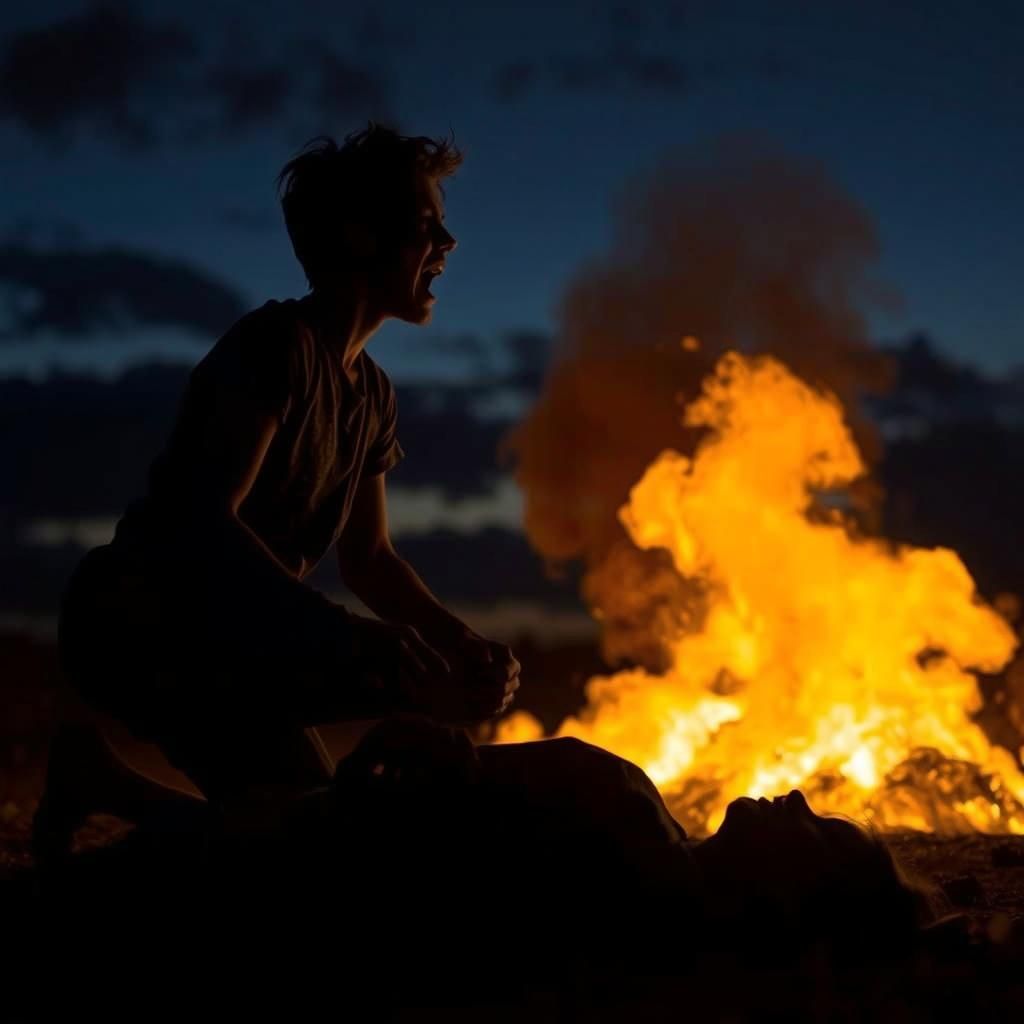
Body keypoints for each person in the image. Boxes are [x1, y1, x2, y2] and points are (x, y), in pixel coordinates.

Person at [35, 125, 520, 854]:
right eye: (426, 224)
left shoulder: (373, 395)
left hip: (244, 642)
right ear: (360, 236)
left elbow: (370, 560)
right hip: (141, 624)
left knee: (314, 838)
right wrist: (354, 637)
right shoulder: (276, 347)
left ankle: (99, 780)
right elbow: (203, 519)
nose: (447, 243)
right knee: (314, 831)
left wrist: (462, 643)